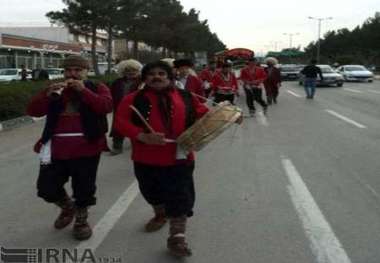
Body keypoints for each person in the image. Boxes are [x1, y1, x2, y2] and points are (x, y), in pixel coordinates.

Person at [114, 61, 209, 257]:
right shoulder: (133, 99)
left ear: (169, 76)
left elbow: (204, 115)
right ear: (144, 78)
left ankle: (177, 237)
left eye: (161, 73)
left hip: (180, 157)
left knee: (180, 196)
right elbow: (120, 122)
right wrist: (141, 136)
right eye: (151, 74)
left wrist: (227, 115)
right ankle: (160, 213)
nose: (156, 77)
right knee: (151, 192)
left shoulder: (186, 96)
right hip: (145, 157)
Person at [27, 55, 112, 241]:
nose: (72, 74)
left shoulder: (97, 87)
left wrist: (84, 92)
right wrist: (45, 95)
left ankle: (81, 220)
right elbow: (33, 111)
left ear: (85, 71)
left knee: (84, 188)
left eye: (77, 70)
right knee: (46, 188)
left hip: (87, 147)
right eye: (68, 70)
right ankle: (67, 207)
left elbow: (105, 106)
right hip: (56, 148)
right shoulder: (56, 88)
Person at [109, 59, 143, 155]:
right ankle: (117, 147)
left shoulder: (143, 82)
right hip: (120, 107)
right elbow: (111, 94)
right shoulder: (117, 82)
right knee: (118, 127)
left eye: (134, 70)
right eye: (128, 70)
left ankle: (139, 145)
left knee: (137, 126)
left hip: (137, 108)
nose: (131, 72)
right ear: (123, 71)